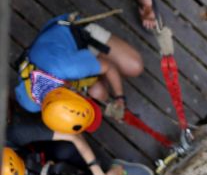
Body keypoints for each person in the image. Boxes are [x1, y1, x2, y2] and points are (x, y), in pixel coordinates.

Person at [1, 113, 154, 175]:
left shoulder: (11, 135)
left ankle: (111, 168)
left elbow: (72, 135)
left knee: (67, 149)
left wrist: (98, 172)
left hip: (48, 149)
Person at [15, 14, 143, 117]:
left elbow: (109, 66)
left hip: (77, 34)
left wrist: (120, 98)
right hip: (57, 54)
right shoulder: (31, 103)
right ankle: (93, 65)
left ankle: (94, 62)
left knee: (134, 67)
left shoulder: (69, 68)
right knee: (99, 93)